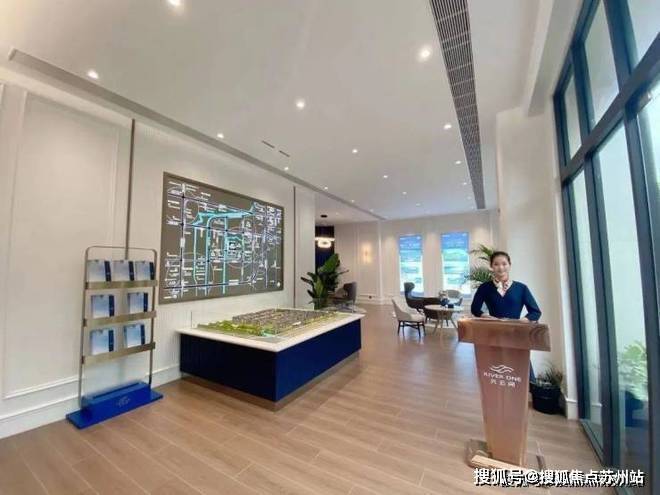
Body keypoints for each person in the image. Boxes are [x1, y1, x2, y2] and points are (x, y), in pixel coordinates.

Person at [470, 250, 542, 381]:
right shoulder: (485, 288)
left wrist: (523, 321)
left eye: (504, 264)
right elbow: (475, 308)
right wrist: (485, 316)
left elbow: (535, 312)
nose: (500, 267)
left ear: (509, 265)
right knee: (497, 374)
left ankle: (528, 392)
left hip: (516, 335)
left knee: (523, 374)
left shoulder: (521, 288)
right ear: (491, 266)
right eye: (496, 264)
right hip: (494, 336)